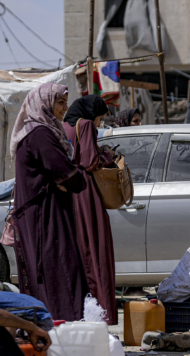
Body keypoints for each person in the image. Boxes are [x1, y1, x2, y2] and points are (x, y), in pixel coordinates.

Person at [10, 83, 89, 322]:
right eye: (60, 102)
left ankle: (52, 324)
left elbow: (67, 176)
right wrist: (74, 177)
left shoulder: (40, 130)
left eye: (66, 103)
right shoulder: (40, 134)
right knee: (60, 268)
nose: (65, 108)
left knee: (51, 269)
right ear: (45, 103)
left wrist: (69, 178)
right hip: (44, 215)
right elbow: (71, 177)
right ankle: (65, 323)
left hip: (44, 211)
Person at [62, 95, 119, 325]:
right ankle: (101, 310)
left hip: (69, 191)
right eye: (100, 118)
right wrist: (107, 155)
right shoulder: (84, 125)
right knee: (95, 249)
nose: (98, 123)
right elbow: (89, 162)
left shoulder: (65, 125)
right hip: (86, 192)